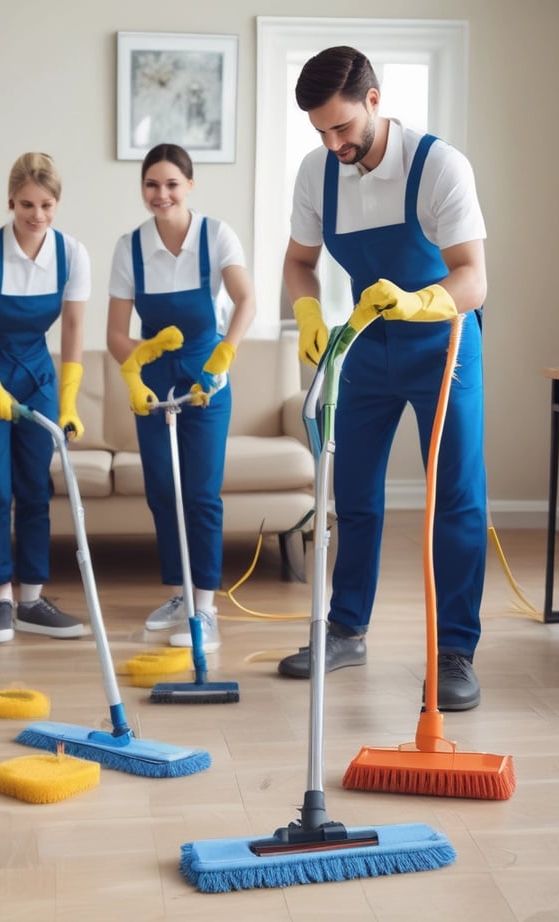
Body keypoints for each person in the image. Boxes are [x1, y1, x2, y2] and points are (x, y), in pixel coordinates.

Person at [279, 46, 487, 711]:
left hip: (442, 343)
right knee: (355, 494)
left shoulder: (438, 166)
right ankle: (346, 629)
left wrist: (420, 302)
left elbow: (473, 278)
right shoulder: (318, 173)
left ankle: (453, 651)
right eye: (319, 130)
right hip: (365, 342)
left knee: (453, 499)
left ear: (374, 100)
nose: (332, 142)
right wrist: (308, 309)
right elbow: (298, 262)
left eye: (341, 127)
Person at [107, 143, 256, 652]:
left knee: (200, 494)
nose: (161, 194)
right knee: (162, 492)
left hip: (206, 378)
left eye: (172, 184)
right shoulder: (129, 247)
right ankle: (178, 596)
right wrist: (137, 365)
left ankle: (206, 608)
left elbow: (246, 300)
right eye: (152, 184)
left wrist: (224, 357)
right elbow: (114, 334)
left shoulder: (216, 236)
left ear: (189, 185)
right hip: (153, 381)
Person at [0, 151, 91, 644]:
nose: (37, 215)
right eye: (27, 204)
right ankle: (0, 601)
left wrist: (70, 400)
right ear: (11, 201)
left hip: (38, 378)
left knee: (36, 490)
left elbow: (74, 328)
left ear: (57, 204)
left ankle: (31, 600)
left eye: (47, 205)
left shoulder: (72, 254)